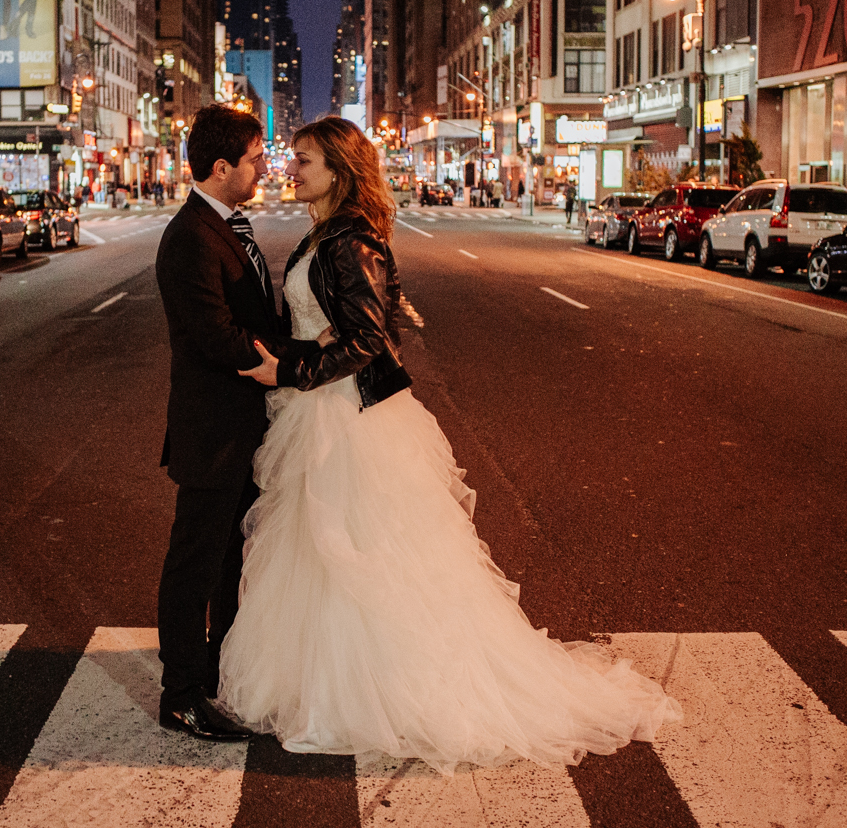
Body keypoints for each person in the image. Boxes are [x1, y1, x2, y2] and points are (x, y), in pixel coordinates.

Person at [224, 117, 681, 773]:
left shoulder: (349, 237)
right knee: (325, 553)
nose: (290, 169)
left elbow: (368, 339)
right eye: (293, 159)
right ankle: (327, 679)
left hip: (349, 418)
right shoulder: (328, 231)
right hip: (322, 412)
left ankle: (394, 689)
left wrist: (288, 369)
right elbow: (352, 320)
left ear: (340, 169)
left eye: (303, 160)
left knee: (366, 553)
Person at [153, 105, 309, 741]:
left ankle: (216, 669)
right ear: (221, 168)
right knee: (195, 560)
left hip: (242, 430)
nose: (264, 168)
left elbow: (256, 314)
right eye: (254, 159)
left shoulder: (228, 224)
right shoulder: (191, 235)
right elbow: (215, 335)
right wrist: (281, 366)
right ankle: (182, 692)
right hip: (213, 430)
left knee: (226, 558)